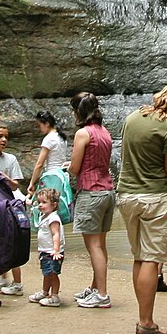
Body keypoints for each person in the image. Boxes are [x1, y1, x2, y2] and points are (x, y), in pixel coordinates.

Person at [119, 83, 167, 334]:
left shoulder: (132, 117)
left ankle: (143, 318)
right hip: (154, 198)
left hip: (126, 195)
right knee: (151, 259)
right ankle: (146, 323)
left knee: (139, 257)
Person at [67, 92, 116, 309]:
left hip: (91, 192)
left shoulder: (82, 134)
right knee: (100, 245)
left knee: (93, 246)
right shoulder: (104, 132)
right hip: (107, 191)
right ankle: (96, 288)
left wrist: (67, 167)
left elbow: (76, 167)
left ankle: (102, 294)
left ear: (78, 111)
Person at [0, 123, 28, 297]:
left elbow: (16, 184)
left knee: (10, 242)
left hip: (7, 207)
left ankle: (17, 283)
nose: (4, 140)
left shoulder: (10, 159)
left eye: (6, 137)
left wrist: (0, 175)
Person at [32, 185, 66, 306]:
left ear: (54, 204)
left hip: (53, 253)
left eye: (44, 202)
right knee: (46, 273)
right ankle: (45, 292)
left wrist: (56, 250)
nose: (40, 205)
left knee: (53, 274)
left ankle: (55, 296)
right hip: (45, 252)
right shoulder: (44, 216)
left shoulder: (53, 218)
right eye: (39, 202)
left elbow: (56, 235)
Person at [26, 109, 69, 200]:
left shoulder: (49, 138)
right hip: (63, 176)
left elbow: (39, 164)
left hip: (52, 177)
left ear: (47, 124)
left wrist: (32, 182)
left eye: (39, 125)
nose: (39, 128)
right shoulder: (62, 137)